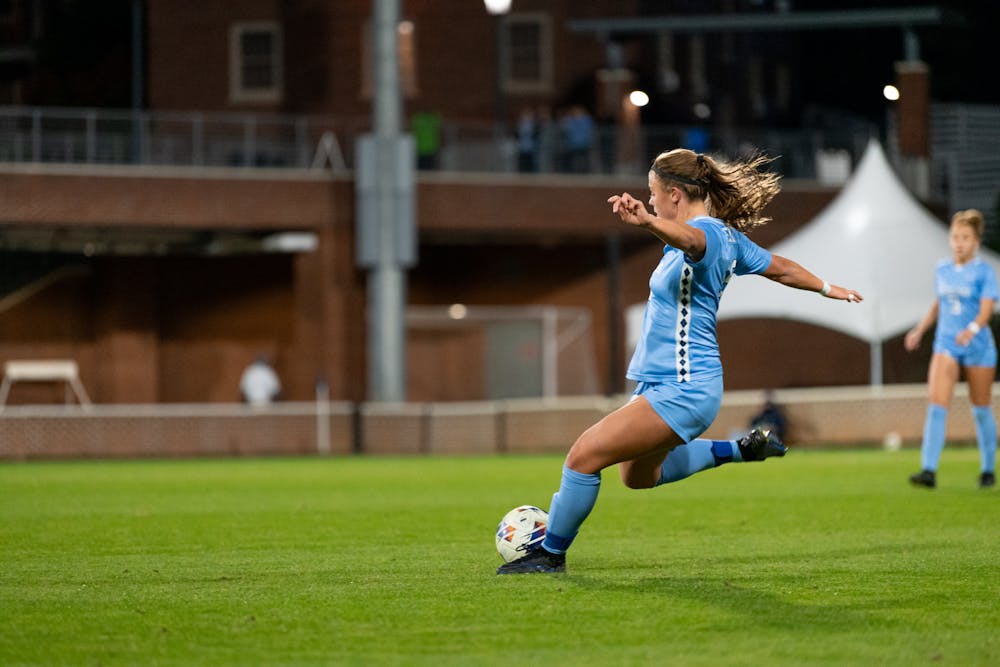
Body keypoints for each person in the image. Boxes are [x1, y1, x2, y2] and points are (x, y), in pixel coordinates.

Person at [497, 148, 863, 574]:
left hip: (684, 386)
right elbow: (778, 267)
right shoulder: (728, 238)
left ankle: (549, 555)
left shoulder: (705, 236)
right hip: (669, 384)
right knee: (635, 477)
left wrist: (647, 222)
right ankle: (740, 449)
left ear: (674, 194)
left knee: (582, 457)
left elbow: (692, 239)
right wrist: (824, 287)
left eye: (653, 194)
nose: (650, 201)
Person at [904, 209, 998, 490]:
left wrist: (970, 330)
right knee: (936, 405)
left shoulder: (984, 272)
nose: (959, 242)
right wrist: (919, 330)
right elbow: (939, 303)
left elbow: (986, 310)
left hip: (978, 346)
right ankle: (928, 470)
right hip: (946, 344)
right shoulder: (942, 268)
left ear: (976, 242)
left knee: (981, 409)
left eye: (965, 237)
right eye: (955, 237)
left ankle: (988, 469)